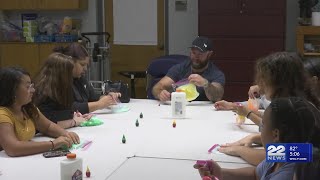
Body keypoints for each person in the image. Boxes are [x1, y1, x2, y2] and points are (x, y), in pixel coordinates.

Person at [217, 52, 320, 166]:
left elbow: (295, 154)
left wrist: (240, 151)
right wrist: (255, 138)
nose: (261, 86)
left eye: (265, 80)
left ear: (279, 82)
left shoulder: (297, 110)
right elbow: (289, 143)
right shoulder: (295, 102)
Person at [194, 97, 319, 180]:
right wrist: (221, 173)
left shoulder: (289, 175)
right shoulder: (293, 151)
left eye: (263, 124)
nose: (260, 128)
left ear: (276, 135)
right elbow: (256, 174)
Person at [0, 67, 79, 157]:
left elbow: (47, 127)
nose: (33, 90)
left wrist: (65, 134)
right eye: (28, 87)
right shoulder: (2, 114)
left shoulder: (28, 108)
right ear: (12, 90)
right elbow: (13, 148)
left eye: (32, 86)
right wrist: (52, 144)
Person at [152, 36, 225, 102]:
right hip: (180, 107)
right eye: (193, 53)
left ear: (209, 54)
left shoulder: (216, 73)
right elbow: (158, 87)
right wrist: (160, 93)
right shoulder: (180, 68)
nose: (196, 57)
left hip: (204, 111)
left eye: (200, 54)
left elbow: (217, 97)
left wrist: (205, 84)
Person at [53, 43, 121, 114]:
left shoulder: (80, 79)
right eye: (82, 65)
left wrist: (107, 98)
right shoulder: (58, 81)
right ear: (70, 62)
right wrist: (99, 104)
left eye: (86, 65)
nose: (85, 69)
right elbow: (69, 108)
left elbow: (93, 97)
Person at [33, 53, 89, 129]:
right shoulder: (43, 92)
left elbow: (62, 110)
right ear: (62, 74)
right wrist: (74, 122)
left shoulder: (58, 88)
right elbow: (47, 124)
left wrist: (73, 115)